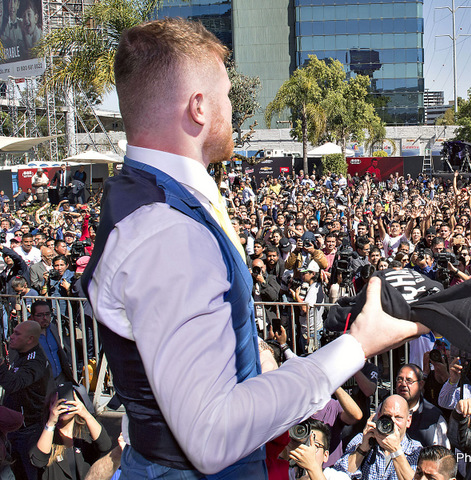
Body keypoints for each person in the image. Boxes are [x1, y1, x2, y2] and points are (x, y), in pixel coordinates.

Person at [81, 18, 424, 478]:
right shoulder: (168, 232)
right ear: (198, 107)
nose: (235, 107)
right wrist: (357, 344)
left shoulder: (150, 199)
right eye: (226, 96)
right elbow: (211, 433)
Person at [0, 320, 51, 480]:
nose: (11, 337)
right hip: (14, 428)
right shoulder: (19, 353)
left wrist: (0, 364)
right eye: (13, 332)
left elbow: (14, 384)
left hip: (27, 431)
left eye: (17, 334)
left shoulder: (35, 362)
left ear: (30, 339)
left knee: (28, 473)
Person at [29, 385, 112, 480]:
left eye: (68, 402)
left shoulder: (85, 431)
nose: (63, 407)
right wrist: (51, 422)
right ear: (50, 407)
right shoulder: (43, 434)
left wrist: (86, 414)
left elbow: (105, 445)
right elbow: (38, 461)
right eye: (57, 404)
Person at [335, 395, 422, 480]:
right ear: (379, 416)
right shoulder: (361, 439)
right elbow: (338, 474)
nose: (392, 422)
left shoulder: (415, 450)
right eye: (387, 417)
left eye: (398, 417)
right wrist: (362, 449)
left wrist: (396, 451)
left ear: (408, 420)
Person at [394, 364, 449, 448]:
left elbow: (442, 457)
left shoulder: (434, 418)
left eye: (409, 380)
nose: (403, 384)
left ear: (421, 384)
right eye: (400, 379)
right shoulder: (385, 408)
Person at [279, 419, 350, 480]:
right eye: (305, 444)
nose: (308, 449)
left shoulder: (337, 477)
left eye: (315, 445)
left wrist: (311, 467)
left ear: (325, 455)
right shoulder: (285, 474)